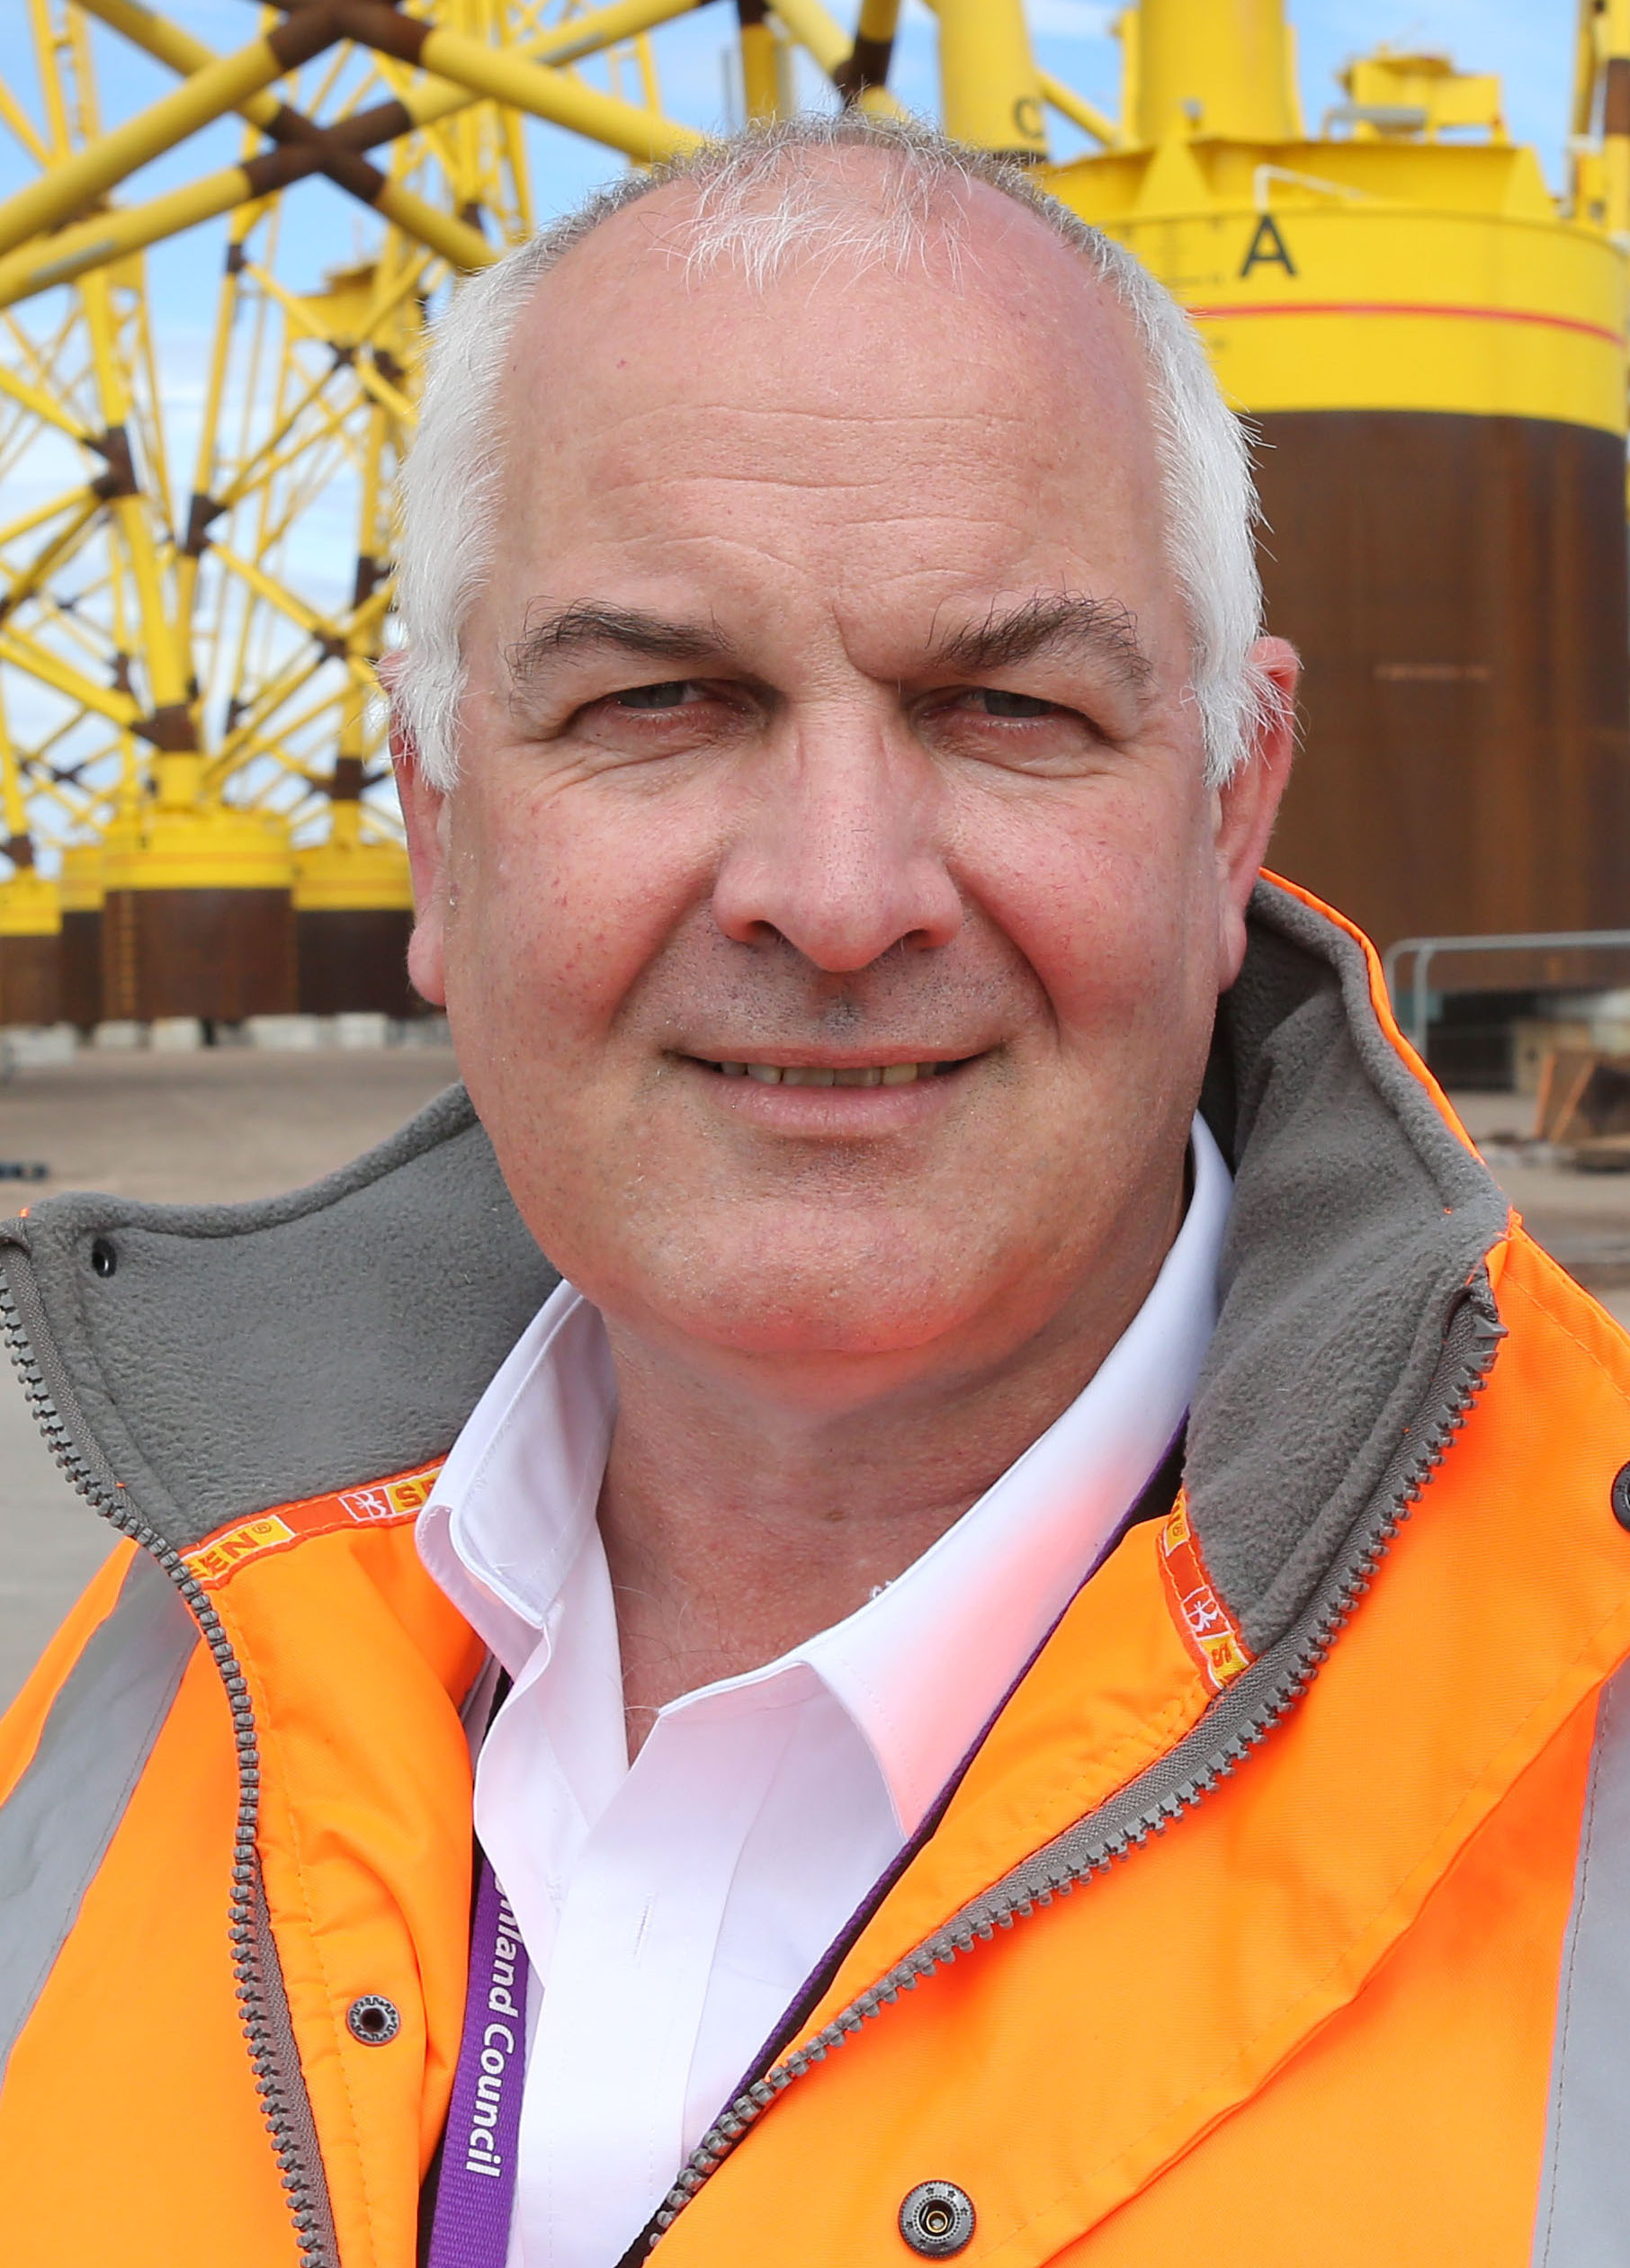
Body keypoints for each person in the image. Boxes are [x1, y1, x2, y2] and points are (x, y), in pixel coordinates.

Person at [2, 113, 1627, 2268]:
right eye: (657, 701)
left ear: (1236, 813)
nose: (838, 898)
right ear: (435, 826)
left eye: (1009, 705)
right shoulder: (155, 1666)